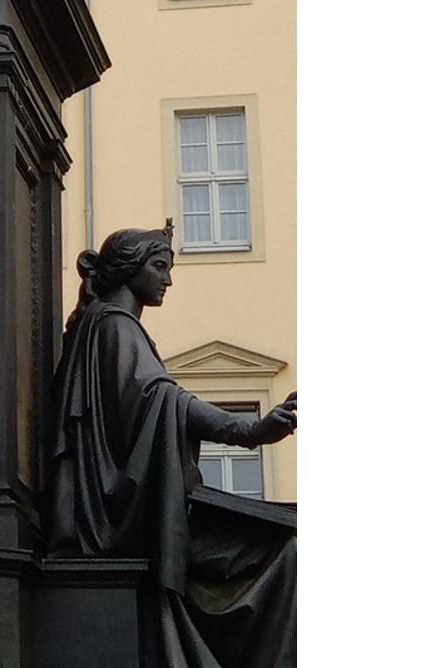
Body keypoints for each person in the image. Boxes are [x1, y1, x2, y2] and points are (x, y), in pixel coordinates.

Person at [46, 226, 299, 668]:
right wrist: (249, 432)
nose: (168, 280)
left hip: (123, 508)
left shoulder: (103, 326)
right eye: (159, 267)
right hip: (124, 518)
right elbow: (166, 402)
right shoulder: (115, 327)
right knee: (288, 546)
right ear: (128, 269)